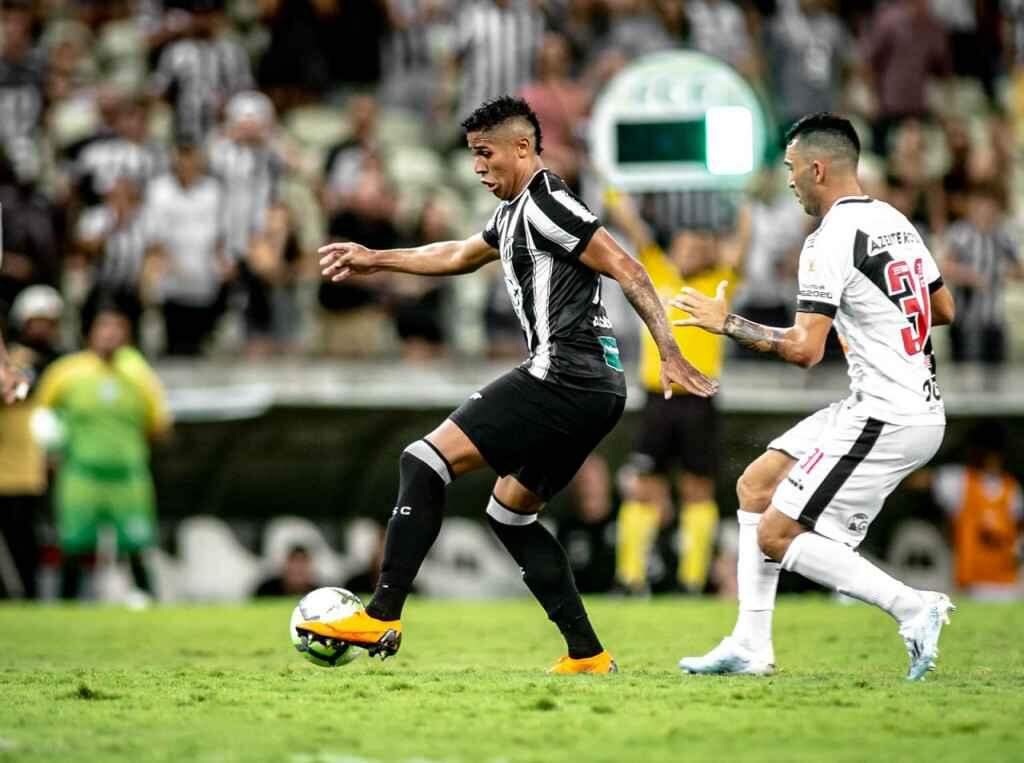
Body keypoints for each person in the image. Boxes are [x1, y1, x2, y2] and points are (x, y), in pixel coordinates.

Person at [299, 95, 716, 674]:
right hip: (595, 388)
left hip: (564, 372)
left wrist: (669, 351)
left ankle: (382, 614)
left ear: (522, 148)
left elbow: (629, 267)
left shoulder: (549, 204)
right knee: (510, 513)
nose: (476, 167)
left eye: (484, 153)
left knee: (423, 461)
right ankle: (588, 654)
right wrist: (376, 258)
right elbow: (458, 254)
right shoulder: (513, 211)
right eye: (471, 155)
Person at [673, 113, 957, 681]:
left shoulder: (828, 239)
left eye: (792, 169)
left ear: (818, 168)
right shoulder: (895, 222)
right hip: (896, 400)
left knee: (779, 534)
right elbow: (944, 309)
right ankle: (750, 644)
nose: (790, 181)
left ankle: (914, 606)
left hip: (887, 412)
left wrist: (725, 322)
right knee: (756, 485)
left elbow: (805, 349)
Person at [602, 188, 745, 596]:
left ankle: (691, 581)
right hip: (658, 396)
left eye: (697, 245)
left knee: (696, 489)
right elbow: (633, 226)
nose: (688, 249)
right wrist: (611, 182)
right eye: (684, 243)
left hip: (699, 398)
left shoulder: (716, 285)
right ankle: (629, 579)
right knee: (645, 487)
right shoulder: (658, 273)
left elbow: (740, 247)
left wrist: (747, 202)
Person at [32, 292, 171, 600]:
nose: (110, 333)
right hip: (81, 473)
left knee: (137, 545)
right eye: (104, 327)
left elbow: (160, 424)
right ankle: (65, 613)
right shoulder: (66, 371)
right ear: (89, 332)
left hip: (128, 475)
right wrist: (50, 449)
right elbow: (42, 414)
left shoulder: (139, 373)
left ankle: (150, 609)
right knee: (74, 545)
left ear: (127, 333)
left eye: (117, 327)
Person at [0, 286, 63, 598]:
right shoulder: (16, 359)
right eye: (37, 321)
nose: (43, 328)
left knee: (29, 540)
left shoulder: (58, 362)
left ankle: (31, 596)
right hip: (7, 463)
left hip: (30, 466)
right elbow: (15, 392)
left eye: (49, 322)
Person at [932, 421, 1023, 599]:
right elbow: (923, 480)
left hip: (1006, 582)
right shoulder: (958, 481)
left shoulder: (1012, 489)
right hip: (970, 583)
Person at [254, 545, 321, 598]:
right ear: (284, 566)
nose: (297, 568)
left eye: (302, 563)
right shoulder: (266, 590)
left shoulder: (319, 594)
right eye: (294, 562)